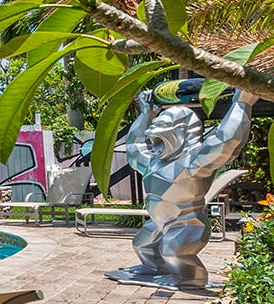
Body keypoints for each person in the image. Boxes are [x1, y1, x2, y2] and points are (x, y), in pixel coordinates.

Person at [107, 82, 252, 290]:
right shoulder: (153, 162)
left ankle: (191, 276)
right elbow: (134, 146)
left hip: (187, 223)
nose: (152, 131)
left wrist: (242, 103)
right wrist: (146, 114)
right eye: (155, 125)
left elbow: (226, 141)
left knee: (172, 250)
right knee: (142, 245)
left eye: (163, 126)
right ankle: (153, 268)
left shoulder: (191, 162)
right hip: (159, 222)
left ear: (183, 131)